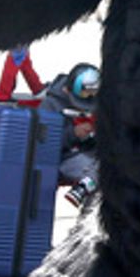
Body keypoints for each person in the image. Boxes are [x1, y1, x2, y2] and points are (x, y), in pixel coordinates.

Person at [39, 63, 100, 207]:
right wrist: (73, 133)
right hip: (64, 157)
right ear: (66, 90)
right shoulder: (51, 106)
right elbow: (43, 143)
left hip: (90, 151)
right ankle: (83, 193)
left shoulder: (96, 101)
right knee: (101, 175)